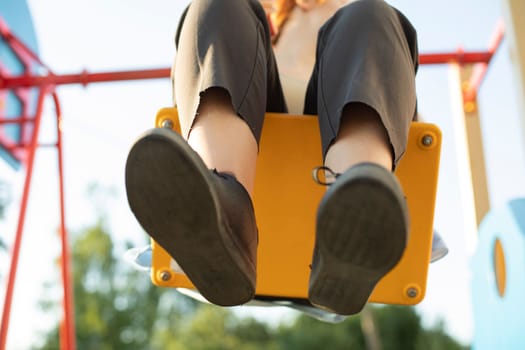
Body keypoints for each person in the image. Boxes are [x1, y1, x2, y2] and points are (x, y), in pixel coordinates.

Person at [125, 0, 419, 316]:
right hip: (249, 144)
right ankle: (223, 213)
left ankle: (357, 215)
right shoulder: (254, 25)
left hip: (340, 174)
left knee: (370, 19)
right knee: (218, 7)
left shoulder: (357, 20)